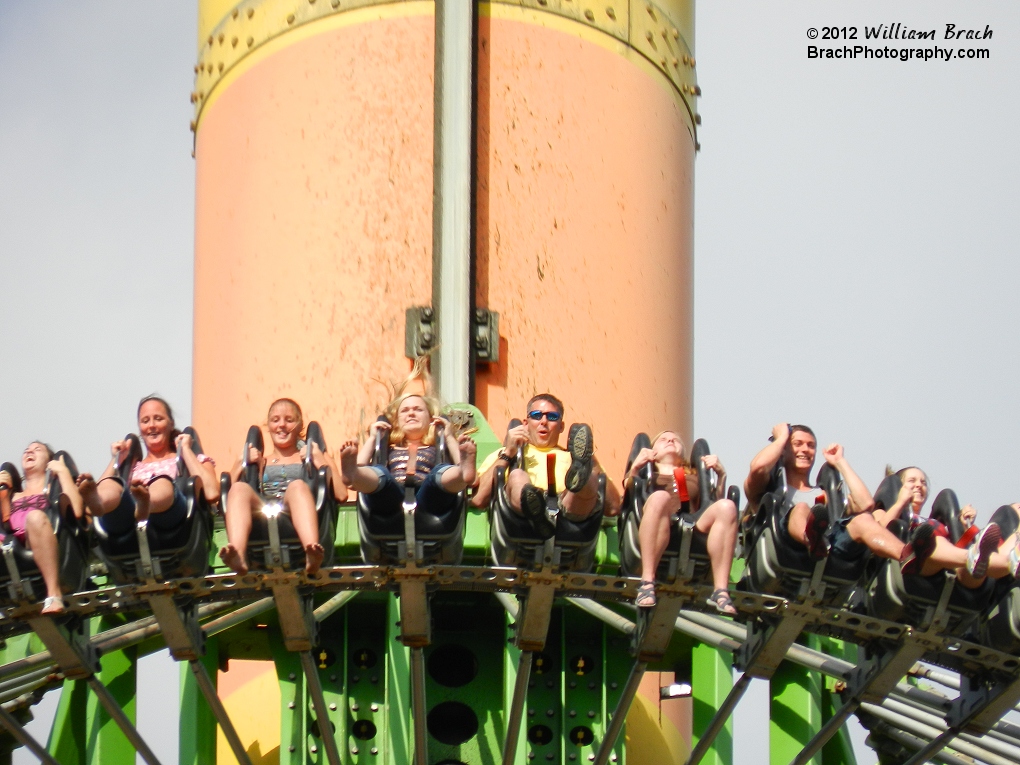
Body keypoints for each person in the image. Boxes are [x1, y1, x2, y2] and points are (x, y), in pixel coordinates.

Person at [743, 423, 931, 570]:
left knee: (864, 520)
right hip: (784, 544)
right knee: (801, 509)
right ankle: (811, 539)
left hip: (830, 546)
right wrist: (782, 437)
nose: (805, 450)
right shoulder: (769, 490)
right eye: (797, 444)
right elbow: (758, 468)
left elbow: (866, 504)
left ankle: (908, 557)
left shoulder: (825, 494)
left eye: (811, 446)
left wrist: (840, 462)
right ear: (784, 449)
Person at [219, 398, 346, 576]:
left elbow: (341, 494)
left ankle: (311, 550)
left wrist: (319, 459)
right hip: (262, 510)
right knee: (239, 488)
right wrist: (241, 462)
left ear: (299, 424)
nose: (282, 425)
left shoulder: (316, 455)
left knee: (297, 486)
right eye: (275, 420)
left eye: (289, 420)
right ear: (269, 425)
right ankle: (238, 554)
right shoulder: (261, 461)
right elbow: (223, 499)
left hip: (296, 509)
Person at [471, 393, 619, 536]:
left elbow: (613, 507)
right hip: (518, 516)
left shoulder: (573, 457)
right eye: (536, 415)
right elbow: (478, 499)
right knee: (517, 476)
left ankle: (545, 514)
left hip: (569, 511)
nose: (543, 421)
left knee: (590, 479)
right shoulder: (506, 453)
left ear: (561, 427)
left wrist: (592, 463)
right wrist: (508, 453)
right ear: (525, 423)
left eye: (552, 417)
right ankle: (538, 515)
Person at [624, 431, 738, 613]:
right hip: (658, 520)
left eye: (676, 439)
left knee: (727, 506)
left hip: (693, 523)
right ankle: (647, 582)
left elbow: (713, 504)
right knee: (660, 497)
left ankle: (721, 590)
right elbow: (629, 493)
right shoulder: (648, 475)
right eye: (663, 439)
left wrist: (721, 476)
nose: (670, 440)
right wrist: (635, 467)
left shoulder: (694, 476)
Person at [78, 396, 219, 536]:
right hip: (127, 525)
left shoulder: (190, 459)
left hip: (174, 521)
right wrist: (117, 460)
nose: (151, 425)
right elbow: (97, 500)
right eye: (145, 421)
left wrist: (186, 450)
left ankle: (146, 502)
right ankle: (100, 501)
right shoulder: (134, 468)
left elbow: (212, 492)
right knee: (113, 484)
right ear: (140, 429)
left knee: (161, 482)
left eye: (158, 419)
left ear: (171, 424)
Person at [338, 387, 477, 521]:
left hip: (430, 497)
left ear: (431, 419)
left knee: (438, 472)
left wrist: (448, 437)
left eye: (418, 410)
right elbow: (360, 477)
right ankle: (353, 473)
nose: (411, 413)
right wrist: (373, 438)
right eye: (404, 411)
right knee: (380, 473)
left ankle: (461, 473)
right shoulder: (389, 449)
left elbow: (474, 480)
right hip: (391, 497)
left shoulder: (437, 448)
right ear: (397, 422)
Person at [873, 466, 1013, 584]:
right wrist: (900, 503)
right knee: (931, 535)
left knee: (947, 499)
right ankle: (982, 558)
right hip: (914, 562)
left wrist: (963, 526)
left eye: (923, 482)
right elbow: (878, 533)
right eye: (911, 481)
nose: (919, 485)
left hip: (957, 572)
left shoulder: (933, 521)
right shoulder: (883, 511)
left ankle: (1010, 559)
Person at [0, 443, 83, 614]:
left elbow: (76, 510)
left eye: (37, 450)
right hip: (9, 541)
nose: (29, 451)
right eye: (26, 450)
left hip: (40, 536)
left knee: (35, 517)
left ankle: (54, 594)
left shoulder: (52, 490)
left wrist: (62, 472)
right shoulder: (12, 495)